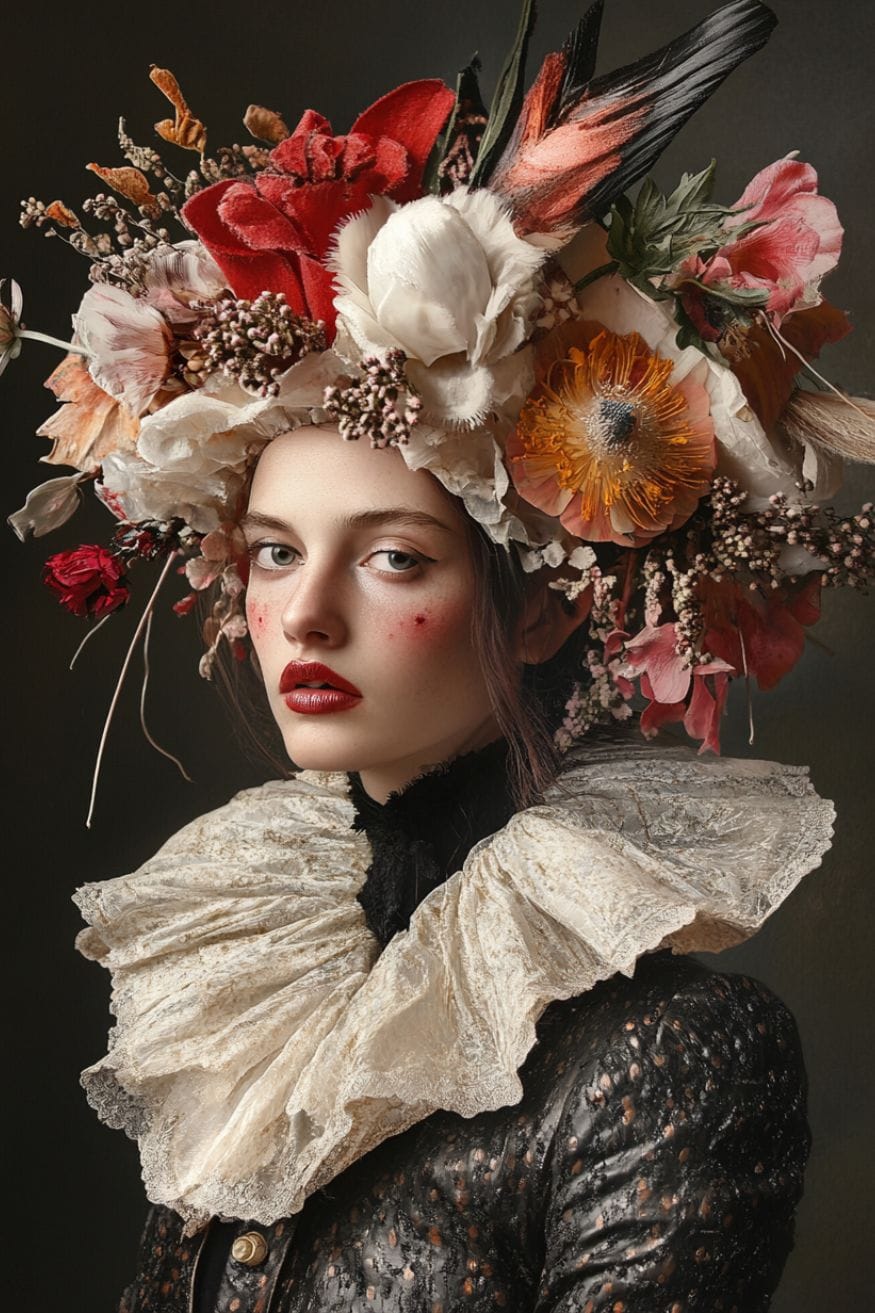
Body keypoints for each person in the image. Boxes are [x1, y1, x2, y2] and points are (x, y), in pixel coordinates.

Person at [4, 1, 872, 1309]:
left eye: (394, 555)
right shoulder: (248, 1009)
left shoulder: (671, 1055)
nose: (304, 615)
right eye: (279, 551)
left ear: (541, 604)